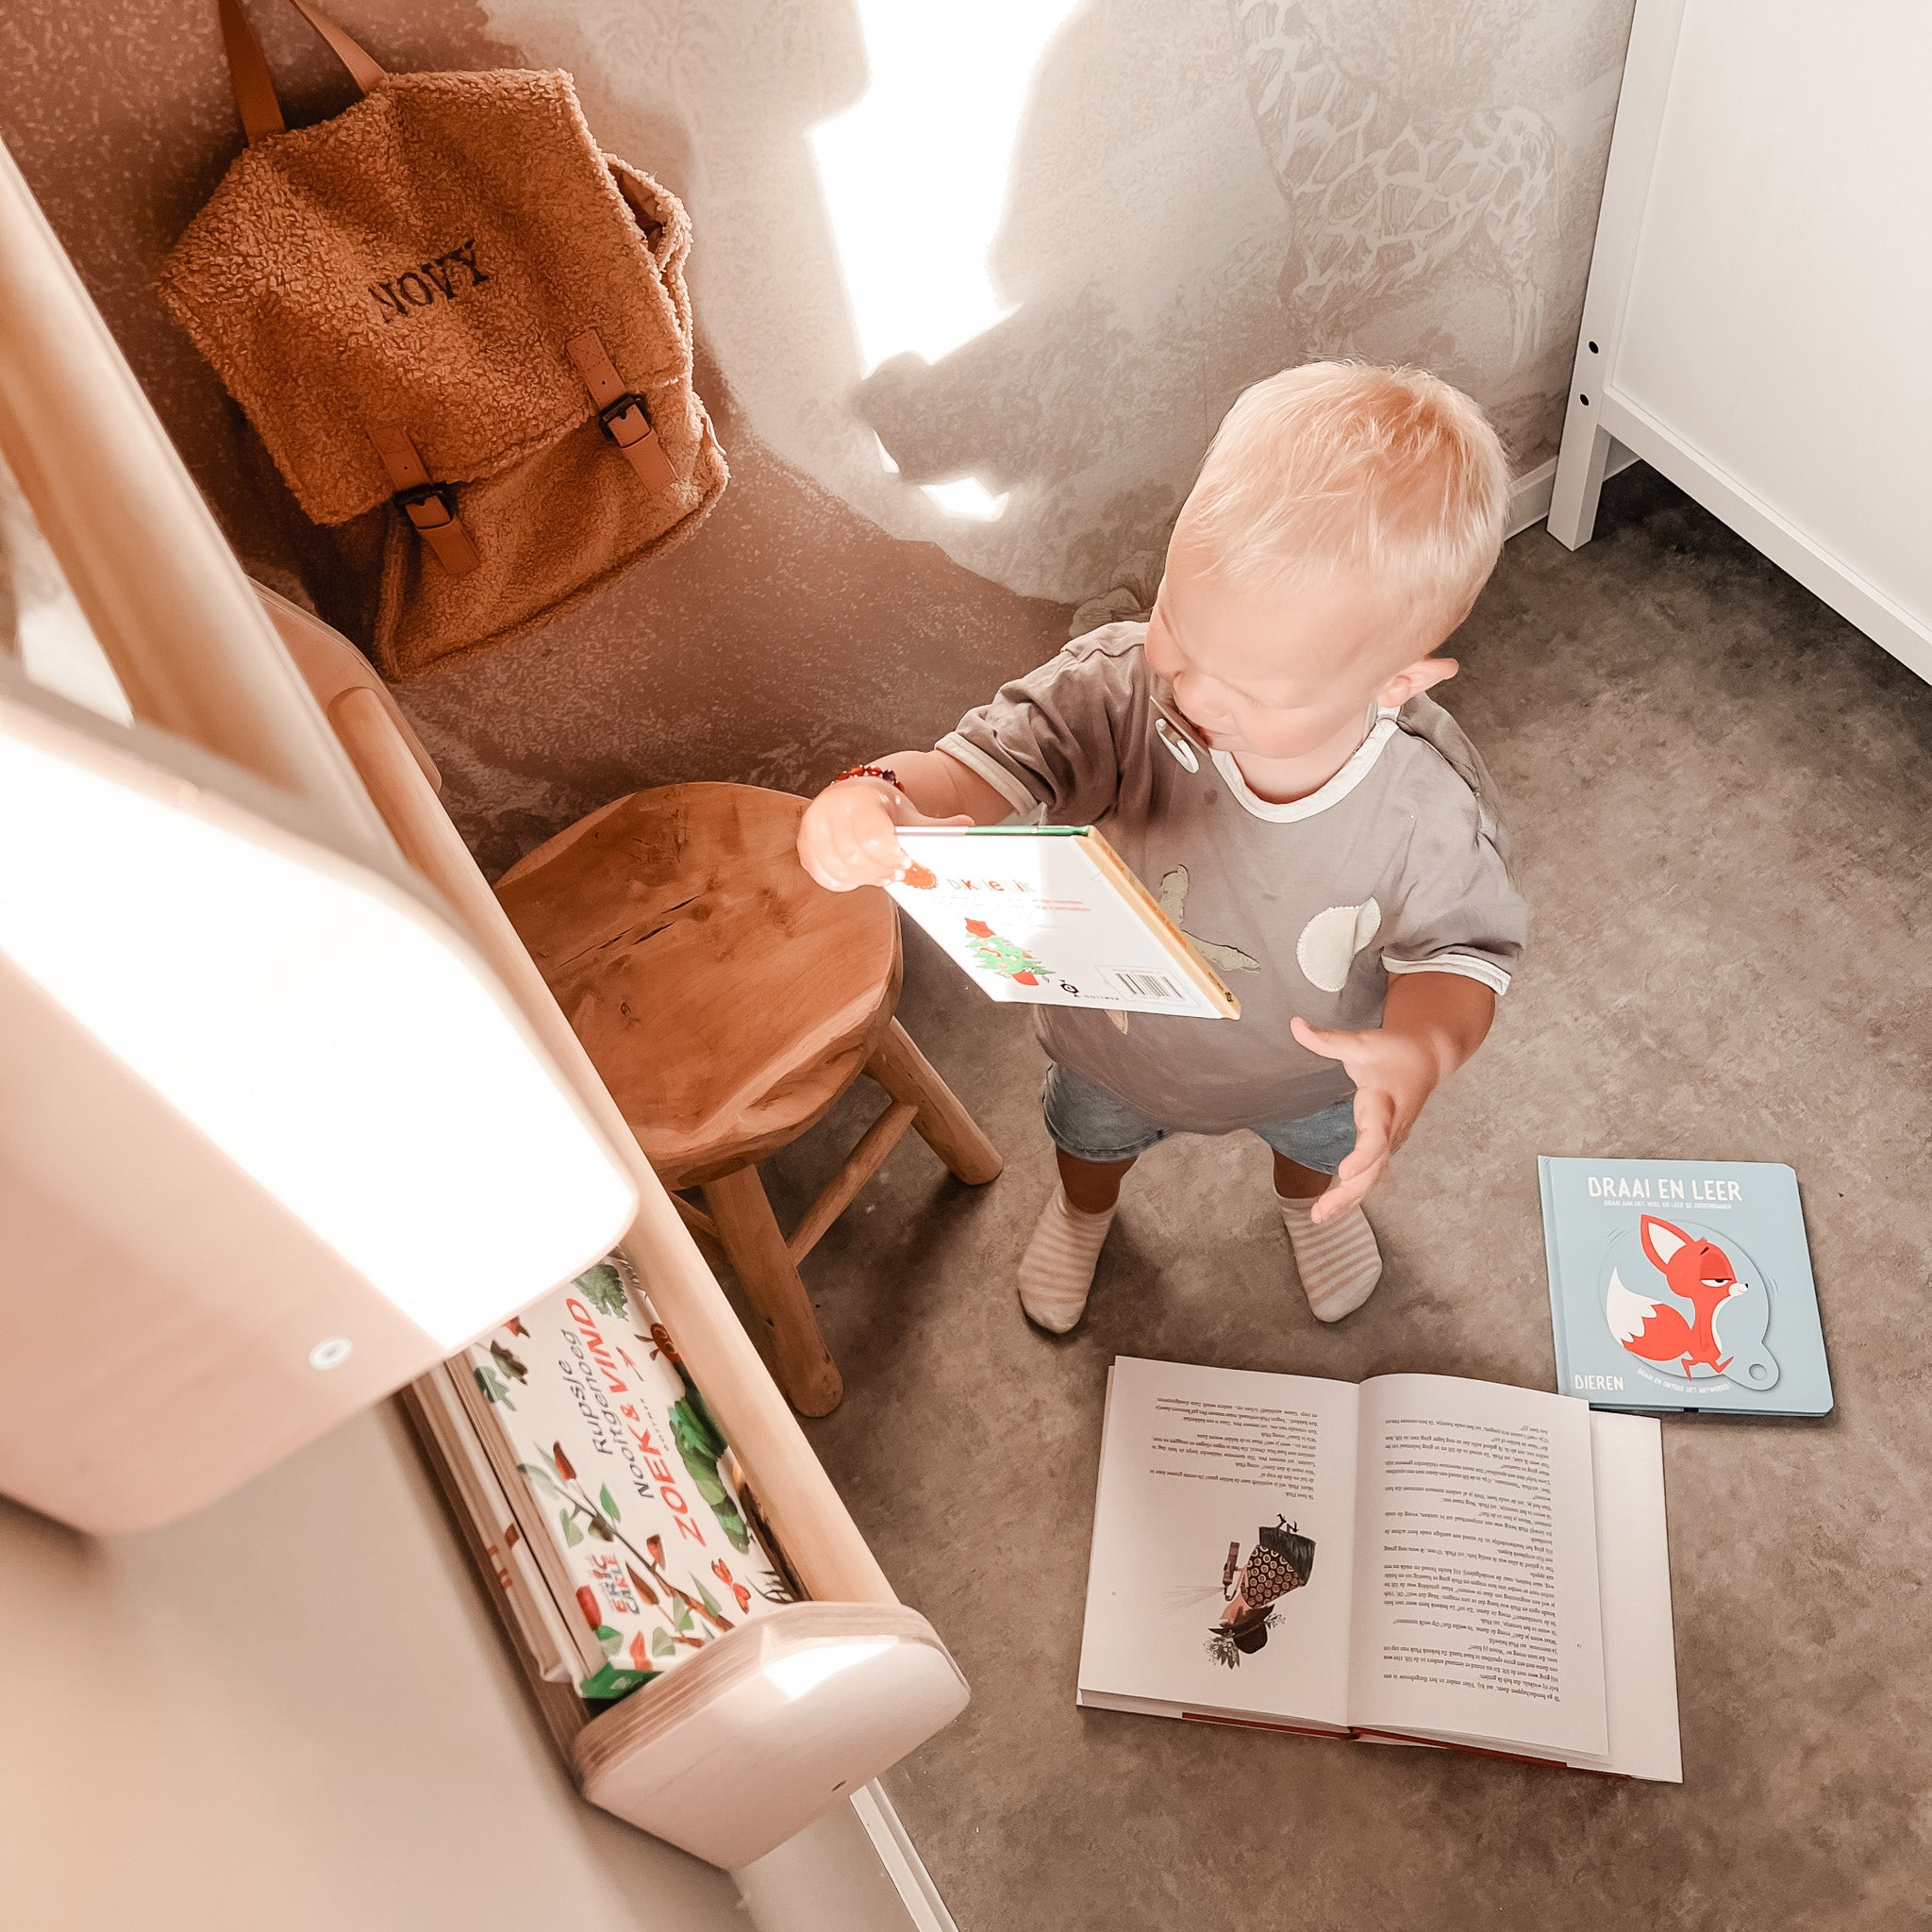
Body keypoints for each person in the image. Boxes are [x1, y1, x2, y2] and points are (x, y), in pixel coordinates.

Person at [796, 363, 1527, 1332]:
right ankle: (1080, 1212)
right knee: (1087, 1139)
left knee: (1313, 1150)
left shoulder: (1425, 801)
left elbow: (1458, 953)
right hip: (1114, 1045)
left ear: (1392, 682)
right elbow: (962, 773)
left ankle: (1303, 1206)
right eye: (1179, 624)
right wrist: (871, 794)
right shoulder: (1113, 688)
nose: (1191, 690)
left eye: (1252, 688)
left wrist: (1419, 1048)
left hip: (1309, 1070)